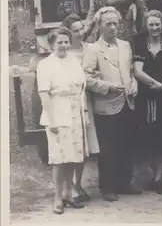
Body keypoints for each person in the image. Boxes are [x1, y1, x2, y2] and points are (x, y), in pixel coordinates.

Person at [82, 7, 141, 202]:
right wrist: (107, 87)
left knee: (127, 144)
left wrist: (133, 84)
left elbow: (131, 71)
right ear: (99, 26)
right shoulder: (92, 49)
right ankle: (107, 187)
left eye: (116, 23)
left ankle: (125, 183)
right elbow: (86, 78)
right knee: (108, 148)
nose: (113, 27)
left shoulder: (125, 45)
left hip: (127, 102)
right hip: (106, 104)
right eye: (108, 24)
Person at [37, 27, 88, 214]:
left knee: (72, 157)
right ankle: (57, 197)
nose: (64, 45)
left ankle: (68, 193)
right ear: (51, 44)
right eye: (60, 42)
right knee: (59, 159)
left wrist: (84, 112)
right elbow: (44, 95)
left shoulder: (74, 61)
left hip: (75, 112)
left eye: (66, 42)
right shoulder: (45, 65)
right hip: (57, 112)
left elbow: (81, 86)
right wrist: (52, 120)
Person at [131, 10, 162, 194]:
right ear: (146, 25)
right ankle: (153, 174)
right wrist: (156, 85)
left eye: (157, 24)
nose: (154, 28)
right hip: (146, 96)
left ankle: (159, 176)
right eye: (151, 24)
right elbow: (138, 71)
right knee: (148, 136)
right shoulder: (138, 42)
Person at [60, 14, 100, 203]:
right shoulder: (64, 53)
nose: (79, 33)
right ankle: (69, 186)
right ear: (68, 32)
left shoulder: (90, 49)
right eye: (74, 30)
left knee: (84, 144)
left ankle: (78, 183)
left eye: (81, 28)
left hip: (88, 101)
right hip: (70, 102)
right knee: (72, 143)